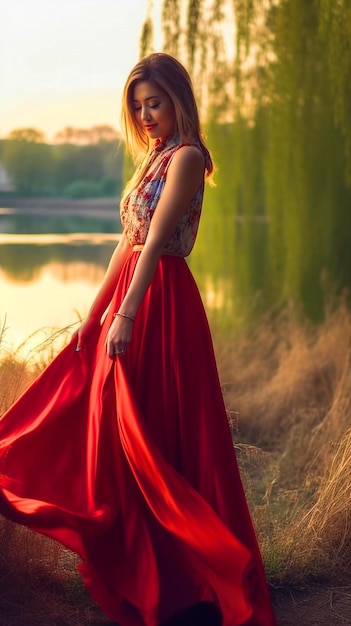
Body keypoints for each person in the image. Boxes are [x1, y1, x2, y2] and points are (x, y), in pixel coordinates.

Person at [0, 53, 276, 626]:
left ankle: (192, 577)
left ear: (179, 99)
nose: (147, 114)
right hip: (131, 294)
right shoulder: (150, 157)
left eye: (156, 102)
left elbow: (153, 245)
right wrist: (93, 315)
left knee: (152, 429)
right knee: (103, 416)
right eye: (138, 105)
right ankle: (141, 561)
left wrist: (126, 313)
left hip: (164, 303)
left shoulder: (188, 157)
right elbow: (125, 243)